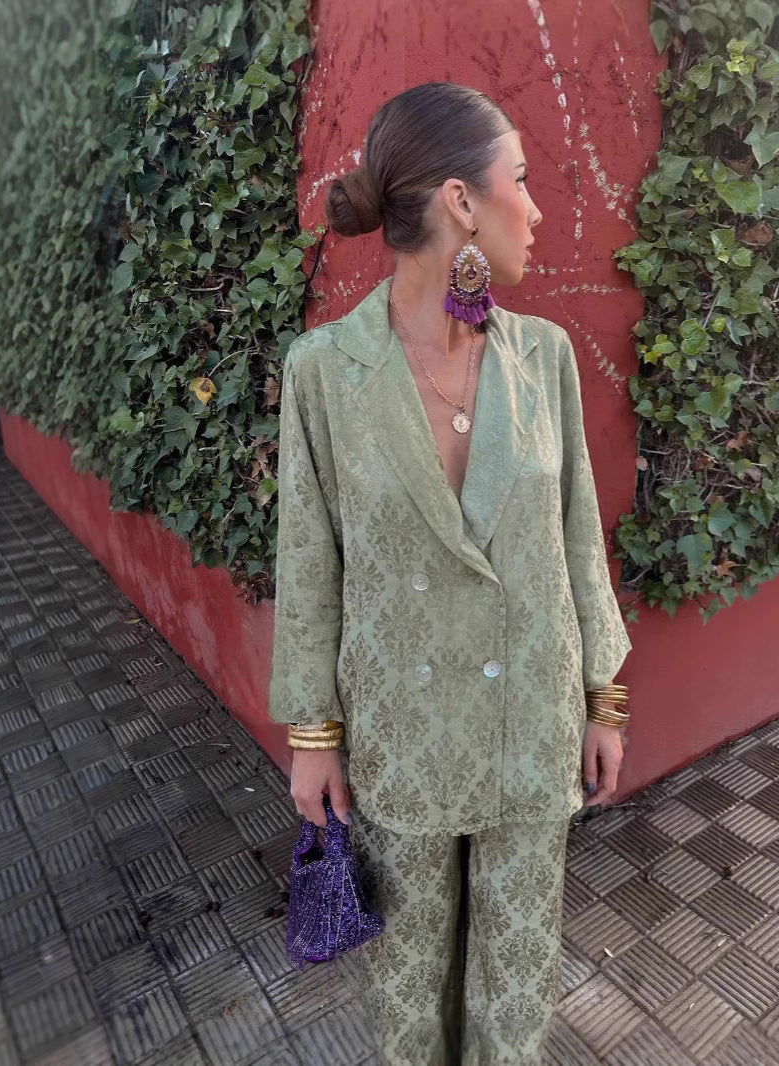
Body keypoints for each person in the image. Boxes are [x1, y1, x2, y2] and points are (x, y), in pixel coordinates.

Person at [267, 82, 633, 1066]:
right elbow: (309, 560)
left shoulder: (544, 358)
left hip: (530, 724)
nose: (537, 208)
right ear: (462, 202)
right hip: (401, 734)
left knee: (517, 988)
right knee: (407, 991)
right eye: (522, 180)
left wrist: (604, 697)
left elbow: (576, 537)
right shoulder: (325, 372)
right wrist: (313, 733)